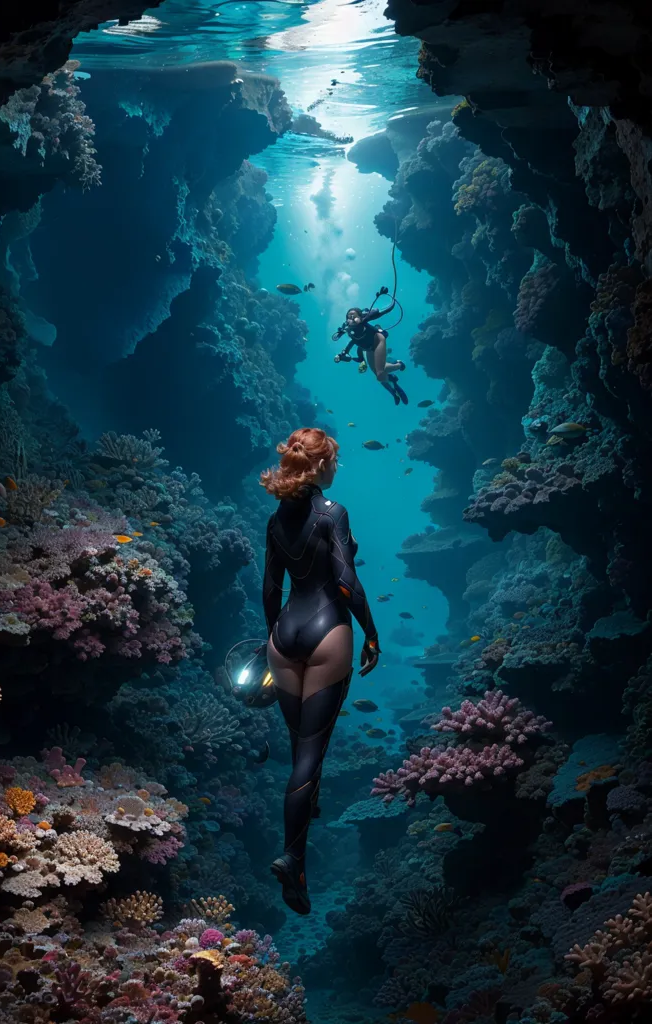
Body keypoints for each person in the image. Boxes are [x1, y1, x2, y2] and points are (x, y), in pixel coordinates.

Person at [260, 427, 380, 914]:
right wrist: (371, 633)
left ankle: (300, 868)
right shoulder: (333, 514)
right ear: (320, 466)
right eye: (334, 460)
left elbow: (270, 589)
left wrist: (272, 642)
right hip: (328, 631)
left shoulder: (274, 519)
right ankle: (290, 855)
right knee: (310, 756)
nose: (337, 467)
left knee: (300, 754)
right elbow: (346, 582)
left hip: (282, 637)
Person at [333, 289, 408, 404]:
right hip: (368, 350)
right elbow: (351, 343)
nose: (351, 318)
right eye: (349, 317)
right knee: (380, 376)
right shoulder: (349, 331)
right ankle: (395, 376)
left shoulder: (365, 320)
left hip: (377, 341)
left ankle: (398, 367)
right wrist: (342, 354)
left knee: (380, 374)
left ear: (361, 316)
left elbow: (386, 309)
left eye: (354, 316)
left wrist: (387, 298)